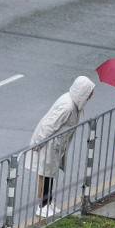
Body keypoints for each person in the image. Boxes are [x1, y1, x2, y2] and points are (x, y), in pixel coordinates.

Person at [26, 76, 96, 217]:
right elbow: (49, 125)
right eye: (89, 92)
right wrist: (39, 142)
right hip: (49, 143)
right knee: (46, 173)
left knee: (51, 173)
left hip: (56, 144)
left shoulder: (74, 104)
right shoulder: (68, 106)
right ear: (82, 92)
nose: (91, 95)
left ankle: (49, 202)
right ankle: (42, 206)